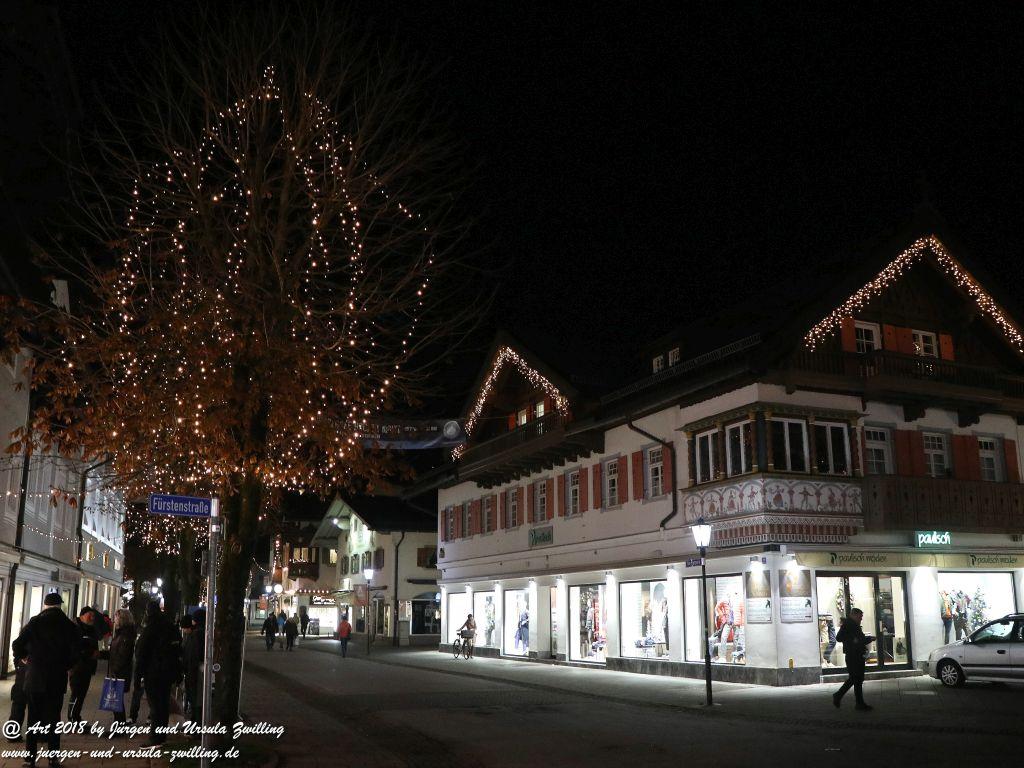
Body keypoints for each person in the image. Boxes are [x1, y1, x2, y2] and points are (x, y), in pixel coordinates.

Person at [11, 591, 80, 768]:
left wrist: (24, 658)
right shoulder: (68, 625)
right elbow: (77, 652)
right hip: (56, 678)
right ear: (60, 606)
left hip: (34, 677)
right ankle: (53, 758)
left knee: (33, 718)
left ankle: (30, 759)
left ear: (45, 605)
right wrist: (66, 665)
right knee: (53, 719)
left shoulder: (35, 622)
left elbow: (17, 644)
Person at [135, 601, 182, 744]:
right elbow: (178, 649)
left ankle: (156, 737)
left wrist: (138, 676)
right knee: (163, 704)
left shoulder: (150, 628)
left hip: (153, 673)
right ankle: (161, 735)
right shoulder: (170, 627)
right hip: (167, 672)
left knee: (155, 706)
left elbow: (141, 652)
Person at [833, 608, 874, 711]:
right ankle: (840, 696)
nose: (861, 619)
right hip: (853, 655)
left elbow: (859, 639)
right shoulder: (848, 624)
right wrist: (855, 640)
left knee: (857, 679)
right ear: (854, 615)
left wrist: (865, 639)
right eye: (860, 617)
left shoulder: (852, 624)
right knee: (855, 678)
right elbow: (839, 638)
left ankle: (858, 703)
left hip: (857, 654)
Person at [67, 606, 100, 722]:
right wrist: (90, 653)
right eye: (89, 615)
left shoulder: (91, 629)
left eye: (93, 616)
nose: (92, 618)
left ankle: (76, 717)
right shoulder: (75, 629)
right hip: (77, 667)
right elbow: (73, 648)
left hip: (87, 667)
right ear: (81, 616)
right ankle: (72, 719)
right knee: (76, 693)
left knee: (81, 695)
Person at [107, 609, 137, 725]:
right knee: (116, 700)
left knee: (116, 700)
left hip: (119, 672)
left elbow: (124, 655)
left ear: (121, 619)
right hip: (117, 671)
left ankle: (120, 725)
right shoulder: (121, 633)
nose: (114, 620)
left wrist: (115, 669)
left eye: (116, 617)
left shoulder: (125, 635)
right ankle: (119, 724)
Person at [181, 611, 205, 724]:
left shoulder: (195, 635)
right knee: (196, 698)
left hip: (194, 671)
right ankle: (196, 721)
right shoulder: (200, 633)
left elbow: (192, 655)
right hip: (195, 670)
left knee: (196, 698)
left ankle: (197, 722)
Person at [7, 654, 27, 742]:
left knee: (17, 710)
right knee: (36, 711)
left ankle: (12, 734)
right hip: (30, 684)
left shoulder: (19, 656)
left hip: (20, 684)